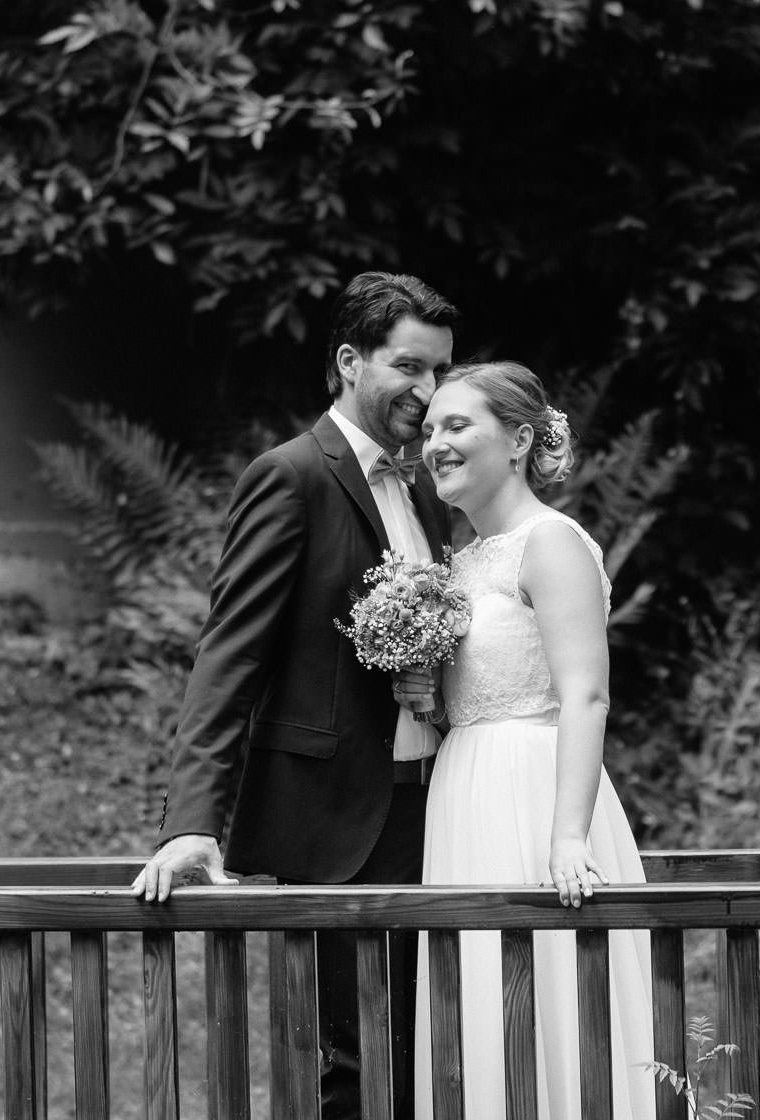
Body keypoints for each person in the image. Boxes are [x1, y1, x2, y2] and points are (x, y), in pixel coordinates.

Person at [130, 271, 462, 1119]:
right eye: (409, 367)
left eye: (438, 372)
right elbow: (228, 656)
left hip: (439, 807)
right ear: (350, 362)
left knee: (430, 1048)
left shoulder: (425, 484)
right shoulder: (289, 477)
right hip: (338, 815)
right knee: (354, 1065)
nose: (426, 392)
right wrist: (192, 821)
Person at [412, 361, 655, 1119]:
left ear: (518, 440)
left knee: (551, 1005)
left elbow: (586, 693)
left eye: (456, 426)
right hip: (465, 794)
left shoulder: (551, 543)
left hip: (536, 795)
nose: (435, 445)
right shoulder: (462, 560)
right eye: (428, 430)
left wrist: (568, 836)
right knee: (479, 1005)